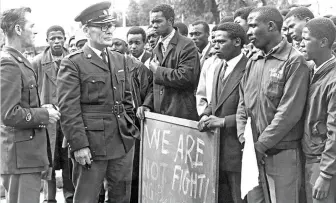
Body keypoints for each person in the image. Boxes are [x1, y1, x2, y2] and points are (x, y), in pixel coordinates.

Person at [57, 2, 139, 203]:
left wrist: (130, 128)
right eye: (102, 26)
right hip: (92, 145)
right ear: (86, 30)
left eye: (110, 25)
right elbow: (69, 109)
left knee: (121, 197)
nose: (109, 30)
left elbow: (126, 98)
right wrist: (79, 145)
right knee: (86, 197)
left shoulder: (120, 59)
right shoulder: (73, 62)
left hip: (121, 140)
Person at [236, 6, 310, 203]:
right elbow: (242, 103)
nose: (248, 32)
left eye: (252, 26)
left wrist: (261, 145)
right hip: (253, 152)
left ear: (270, 26)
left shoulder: (294, 62)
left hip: (282, 154)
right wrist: (244, 137)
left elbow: (289, 112)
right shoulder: (253, 60)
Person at [0, 7, 61, 203]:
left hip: (26, 155)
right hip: (20, 157)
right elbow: (9, 114)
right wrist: (44, 114)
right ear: (18, 29)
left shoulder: (19, 61)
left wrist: (44, 109)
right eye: (31, 26)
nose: (35, 31)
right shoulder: (9, 64)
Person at [198, 22, 248, 203]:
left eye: (220, 41)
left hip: (238, 148)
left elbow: (253, 111)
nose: (215, 46)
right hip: (217, 148)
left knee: (239, 197)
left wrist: (223, 121)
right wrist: (205, 114)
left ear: (237, 42)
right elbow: (214, 101)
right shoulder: (218, 66)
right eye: (213, 41)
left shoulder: (249, 68)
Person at [32, 25, 75, 203]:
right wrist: (41, 108)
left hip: (69, 118)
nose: (56, 41)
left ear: (65, 38)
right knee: (48, 160)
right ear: (47, 40)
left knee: (69, 160)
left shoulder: (74, 59)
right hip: (47, 119)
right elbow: (31, 91)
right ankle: (49, 198)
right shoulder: (37, 62)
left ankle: (70, 196)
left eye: (60, 37)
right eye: (52, 38)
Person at [137, 4, 200, 121]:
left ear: (170, 21)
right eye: (152, 21)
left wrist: (157, 70)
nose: (154, 25)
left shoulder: (187, 44)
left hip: (181, 115)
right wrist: (147, 104)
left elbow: (186, 77)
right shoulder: (157, 48)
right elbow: (154, 84)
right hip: (161, 117)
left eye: (158, 21)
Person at [300, 17, 336, 203]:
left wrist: (326, 174)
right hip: (310, 157)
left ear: (323, 42)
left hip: (322, 162)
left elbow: (335, 132)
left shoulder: (333, 79)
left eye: (306, 39)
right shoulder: (311, 70)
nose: (300, 43)